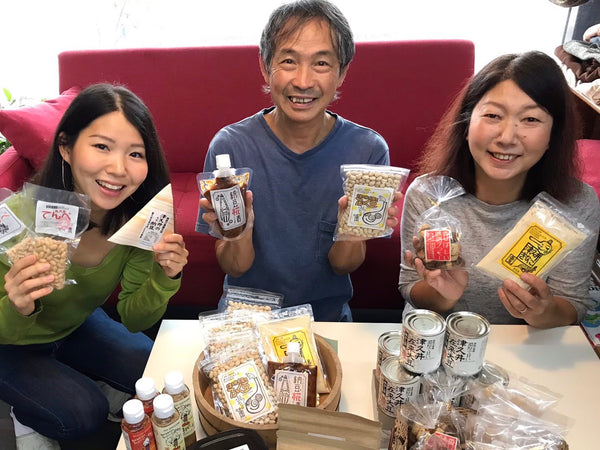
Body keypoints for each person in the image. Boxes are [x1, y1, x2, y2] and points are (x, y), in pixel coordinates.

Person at [0, 83, 189, 448]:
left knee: (151, 368)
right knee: (83, 415)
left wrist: (165, 276)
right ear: (66, 148)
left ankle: (77, 373)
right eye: (101, 146)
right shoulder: (18, 221)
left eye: (136, 153)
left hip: (74, 324)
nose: (118, 168)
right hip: (8, 342)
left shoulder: (137, 224)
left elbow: (134, 318)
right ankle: (26, 414)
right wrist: (18, 305)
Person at [196, 0, 401, 321]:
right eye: (289, 61)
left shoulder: (367, 151)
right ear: (265, 66)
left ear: (342, 72)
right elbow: (235, 266)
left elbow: (342, 265)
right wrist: (240, 232)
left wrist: (353, 232)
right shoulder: (230, 147)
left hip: (324, 316)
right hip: (247, 315)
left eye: (321, 64)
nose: (303, 81)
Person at [399, 51, 600, 328]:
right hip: (437, 342)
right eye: (493, 115)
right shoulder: (431, 195)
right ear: (467, 124)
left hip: (527, 350)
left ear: (554, 133)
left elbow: (573, 304)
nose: (507, 138)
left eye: (531, 120)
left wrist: (542, 312)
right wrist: (441, 294)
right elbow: (410, 286)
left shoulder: (574, 204)